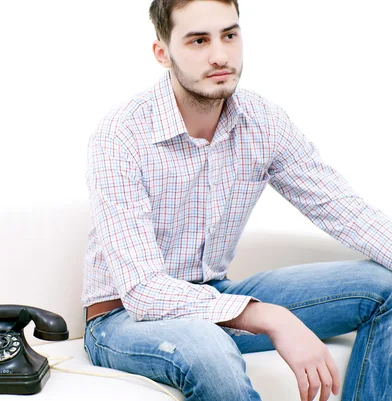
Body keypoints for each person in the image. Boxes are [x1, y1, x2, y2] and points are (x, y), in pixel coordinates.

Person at [82, 1, 392, 400]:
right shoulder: (120, 136)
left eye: (230, 35)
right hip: (124, 319)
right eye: (198, 40)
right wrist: (269, 316)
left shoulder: (261, 121)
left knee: (385, 284)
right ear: (163, 52)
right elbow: (143, 289)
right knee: (206, 347)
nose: (220, 55)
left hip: (216, 295)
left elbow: (343, 210)